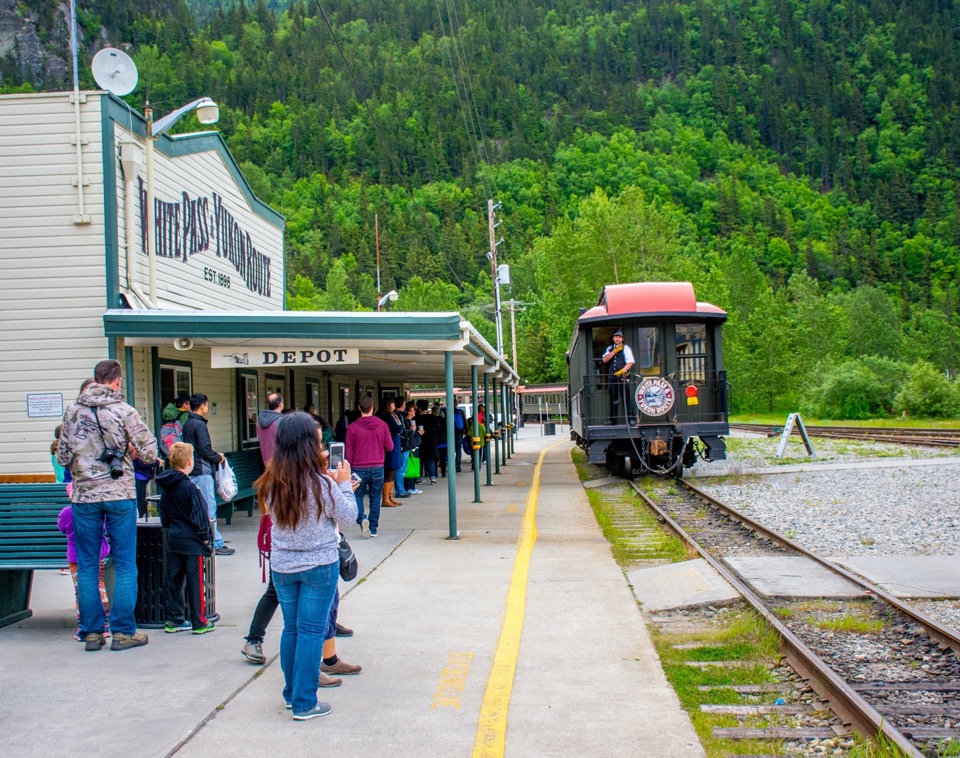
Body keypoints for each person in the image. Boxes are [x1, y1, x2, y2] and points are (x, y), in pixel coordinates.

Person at [256, 412, 358, 720]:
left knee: (292, 630)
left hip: (283, 564)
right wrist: (343, 485)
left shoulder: (271, 481)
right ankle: (304, 702)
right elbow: (348, 516)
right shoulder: (321, 484)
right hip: (318, 565)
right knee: (312, 631)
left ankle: (291, 694)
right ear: (309, 444)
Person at [56, 359, 157, 652]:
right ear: (117, 380)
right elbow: (150, 453)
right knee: (125, 563)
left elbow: (63, 457)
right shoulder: (125, 411)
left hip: (84, 496)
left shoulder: (73, 412)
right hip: (119, 494)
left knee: (88, 564)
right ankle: (124, 631)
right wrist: (131, 450)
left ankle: (91, 633)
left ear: (94, 378)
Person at [156, 442, 216, 635]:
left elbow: (163, 511)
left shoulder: (167, 487)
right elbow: (200, 515)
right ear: (190, 462)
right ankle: (199, 621)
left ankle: (174, 620)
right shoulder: (191, 487)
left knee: (173, 580)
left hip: (173, 538)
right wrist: (205, 537)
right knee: (195, 582)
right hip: (192, 541)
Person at [182, 393, 234, 556]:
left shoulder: (187, 423)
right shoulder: (200, 425)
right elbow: (204, 449)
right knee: (209, 507)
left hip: (191, 469)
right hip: (202, 470)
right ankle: (215, 542)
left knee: (197, 507)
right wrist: (219, 457)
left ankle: (203, 539)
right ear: (203, 406)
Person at [57, 505, 110, 641]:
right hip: (97, 554)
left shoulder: (67, 512)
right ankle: (105, 625)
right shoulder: (98, 511)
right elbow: (104, 528)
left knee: (80, 590)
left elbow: (62, 528)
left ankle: (84, 625)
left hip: (75, 556)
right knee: (100, 586)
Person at [345, 395, 393, 538]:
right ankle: (373, 528)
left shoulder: (352, 428)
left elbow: (349, 452)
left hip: (358, 467)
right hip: (378, 466)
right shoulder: (382, 425)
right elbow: (389, 446)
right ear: (373, 408)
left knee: (357, 495)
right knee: (375, 498)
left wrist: (349, 469)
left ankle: (362, 519)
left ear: (359, 408)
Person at [601, 328, 635, 424]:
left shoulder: (626, 348)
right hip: (612, 377)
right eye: (616, 337)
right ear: (613, 338)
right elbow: (605, 360)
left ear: (622, 339)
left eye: (619, 337)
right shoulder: (609, 348)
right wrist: (615, 351)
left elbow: (630, 362)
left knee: (626, 397)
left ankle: (631, 419)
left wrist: (622, 371)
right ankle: (613, 420)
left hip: (623, 376)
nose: (618, 339)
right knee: (613, 398)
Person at [376, 397, 403, 507]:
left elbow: (400, 427)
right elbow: (398, 428)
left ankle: (390, 496)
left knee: (394, 469)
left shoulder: (394, 414)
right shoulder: (387, 416)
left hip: (396, 443)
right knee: (390, 470)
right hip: (390, 445)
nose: (394, 404)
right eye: (392, 403)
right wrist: (399, 427)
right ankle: (385, 498)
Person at [415, 399, 440, 484]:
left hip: (419, 442)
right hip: (431, 443)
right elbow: (438, 429)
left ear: (419, 408)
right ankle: (433, 478)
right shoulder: (433, 418)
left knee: (419, 460)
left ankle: (418, 477)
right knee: (430, 460)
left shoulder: (416, 418)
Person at [257, 392, 284, 463]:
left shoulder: (259, 423)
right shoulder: (281, 421)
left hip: (266, 463)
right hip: (281, 463)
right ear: (281, 404)